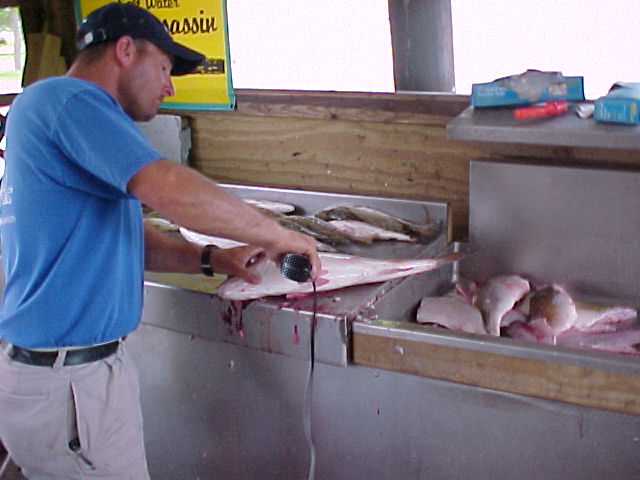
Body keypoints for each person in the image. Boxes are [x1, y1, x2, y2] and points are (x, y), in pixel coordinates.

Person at [0, 3, 319, 479]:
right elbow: (166, 187)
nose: (169, 87)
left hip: (61, 378)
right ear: (125, 50)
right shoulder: (70, 100)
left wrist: (214, 259)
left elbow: (124, 238)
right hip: (71, 385)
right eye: (165, 68)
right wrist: (276, 234)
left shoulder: (52, 111)